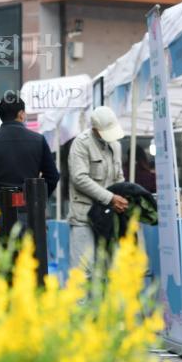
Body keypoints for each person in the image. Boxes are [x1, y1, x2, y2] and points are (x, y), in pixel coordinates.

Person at [68, 106, 128, 276]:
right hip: (84, 218)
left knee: (113, 271)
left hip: (108, 217)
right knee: (83, 274)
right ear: (94, 129)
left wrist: (122, 197)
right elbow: (79, 178)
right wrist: (111, 198)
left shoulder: (115, 145)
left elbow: (119, 177)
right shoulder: (81, 143)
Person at [0, 92, 60, 194]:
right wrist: (38, 197)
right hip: (29, 201)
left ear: (0, 115)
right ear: (21, 114)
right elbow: (53, 176)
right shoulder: (38, 140)